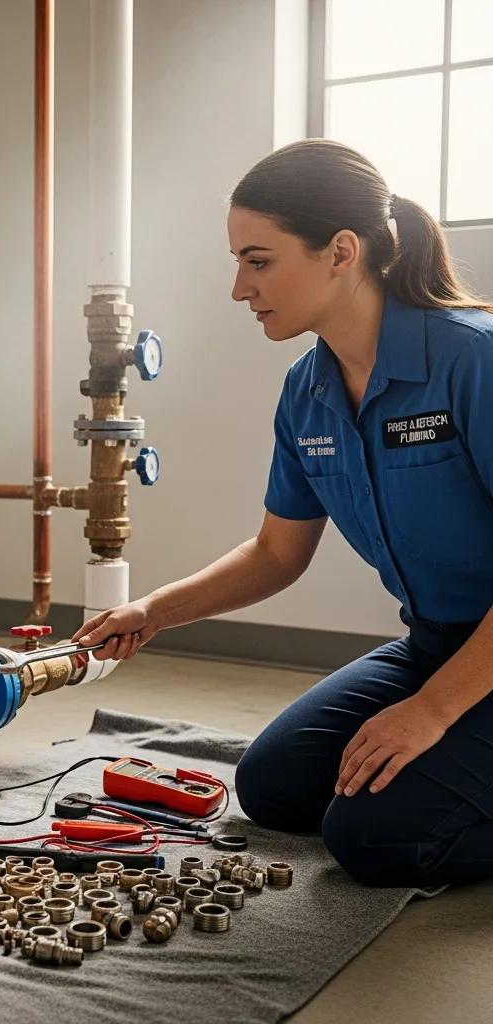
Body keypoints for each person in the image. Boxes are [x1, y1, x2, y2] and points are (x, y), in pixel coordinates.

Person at [74, 139, 493, 888]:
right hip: (437, 643)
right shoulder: (309, 390)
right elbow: (276, 552)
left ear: (340, 251)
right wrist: (154, 610)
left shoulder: (473, 361)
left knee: (373, 838)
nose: (240, 288)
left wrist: (431, 711)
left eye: (258, 261)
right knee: (274, 788)